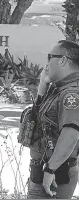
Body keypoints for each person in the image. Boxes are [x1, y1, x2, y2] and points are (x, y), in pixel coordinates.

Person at [19, 40, 79, 199]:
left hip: (55, 175)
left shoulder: (71, 93)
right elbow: (35, 122)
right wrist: (42, 89)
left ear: (63, 60)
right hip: (43, 171)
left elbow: (71, 133)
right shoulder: (57, 90)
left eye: (50, 57)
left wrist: (50, 169)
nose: (46, 64)